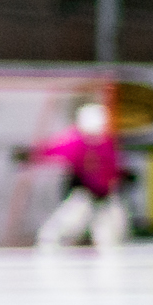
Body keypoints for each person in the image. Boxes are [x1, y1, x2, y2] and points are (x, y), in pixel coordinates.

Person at [28, 99, 132, 251]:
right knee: (71, 218)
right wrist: (32, 155)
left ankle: (110, 248)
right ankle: (49, 242)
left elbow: (113, 166)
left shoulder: (107, 142)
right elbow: (51, 149)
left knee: (112, 225)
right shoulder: (74, 139)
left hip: (105, 192)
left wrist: (121, 176)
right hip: (82, 189)